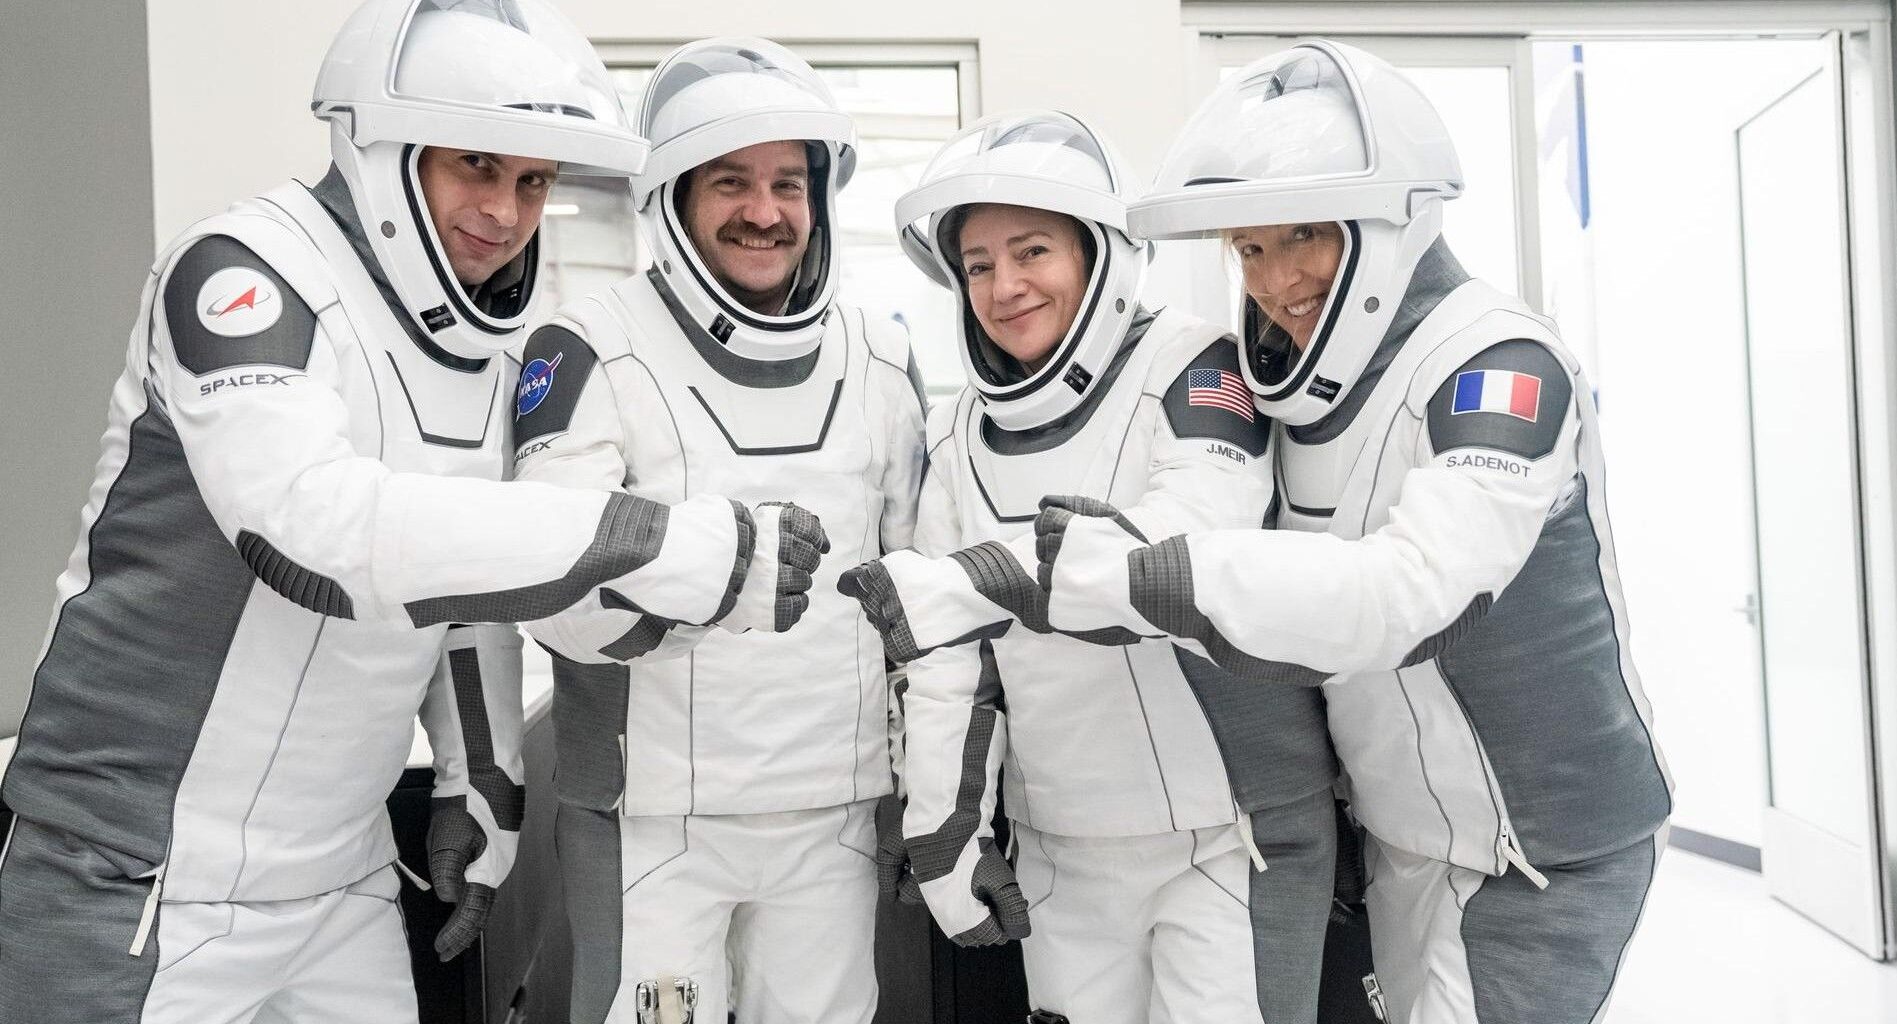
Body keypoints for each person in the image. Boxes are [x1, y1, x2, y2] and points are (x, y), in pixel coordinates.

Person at [0, 4, 823, 1021]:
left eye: (532, 181)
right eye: (477, 164)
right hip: (137, 865)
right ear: (385, 149)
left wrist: (481, 781)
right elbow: (314, 532)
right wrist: (646, 536)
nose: (507, 210)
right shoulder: (246, 269)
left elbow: (462, 573)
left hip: (338, 876)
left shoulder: (490, 349)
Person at [1030, 40, 1674, 1024]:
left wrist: (1172, 574)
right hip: (1401, 834)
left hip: (1542, 851)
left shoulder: (1498, 365)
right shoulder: (1292, 378)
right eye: (1248, 249)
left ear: (1388, 225)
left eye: (1302, 236)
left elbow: (1416, 596)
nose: (1276, 280)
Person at [835, 110, 1338, 1024]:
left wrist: (981, 576)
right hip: (1061, 844)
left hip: (1228, 837)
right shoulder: (956, 435)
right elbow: (949, 666)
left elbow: (1193, 535)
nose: (1005, 286)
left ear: (1100, 256)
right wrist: (948, 835)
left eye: (1032, 252)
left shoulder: (1196, 368)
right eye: (979, 266)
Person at [509, 38, 926, 1024]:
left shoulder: (883, 356)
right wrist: (704, 569)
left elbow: (918, 591)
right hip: (651, 821)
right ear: (672, 200)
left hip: (834, 812)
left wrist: (927, 783)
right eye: (731, 181)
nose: (766, 210)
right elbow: (548, 583)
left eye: (790, 182)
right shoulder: (586, 347)